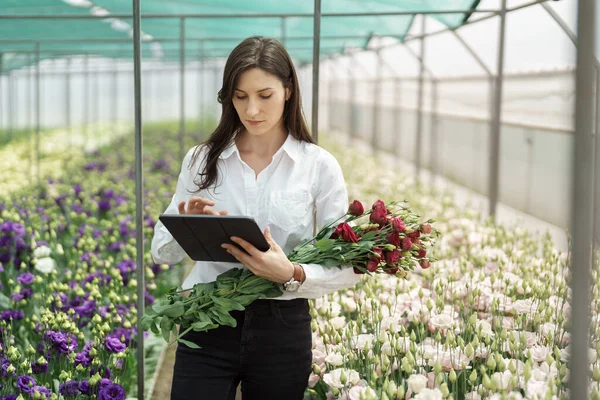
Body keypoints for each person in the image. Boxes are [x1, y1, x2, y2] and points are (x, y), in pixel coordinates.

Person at [151, 36, 361, 400]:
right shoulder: (202, 161)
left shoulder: (318, 167)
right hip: (206, 318)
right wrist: (181, 222)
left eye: (265, 96)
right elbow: (162, 254)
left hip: (282, 329)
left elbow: (347, 267)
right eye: (240, 96)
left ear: (289, 91)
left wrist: (292, 274)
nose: (251, 110)